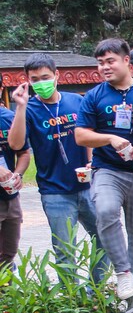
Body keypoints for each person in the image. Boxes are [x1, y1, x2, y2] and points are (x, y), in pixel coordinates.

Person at [7, 54, 107, 276]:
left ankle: (97, 289)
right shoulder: (29, 109)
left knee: (104, 237)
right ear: (27, 80)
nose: (41, 83)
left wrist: (91, 161)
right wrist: (21, 107)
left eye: (45, 77)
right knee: (64, 249)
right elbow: (15, 144)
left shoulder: (76, 101)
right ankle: (72, 297)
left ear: (56, 75)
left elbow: (88, 133)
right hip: (54, 191)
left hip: (87, 185)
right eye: (35, 79)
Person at [73, 38, 133, 300]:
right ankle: (123, 273)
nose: (105, 67)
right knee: (106, 211)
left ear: (126, 61)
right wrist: (109, 138)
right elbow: (81, 135)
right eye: (100, 63)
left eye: (110, 61)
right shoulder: (94, 96)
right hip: (107, 169)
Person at [0, 106, 29, 270]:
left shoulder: (10, 118)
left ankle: (6, 292)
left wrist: (18, 174)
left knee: (8, 253)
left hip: (10, 196)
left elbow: (23, 152)